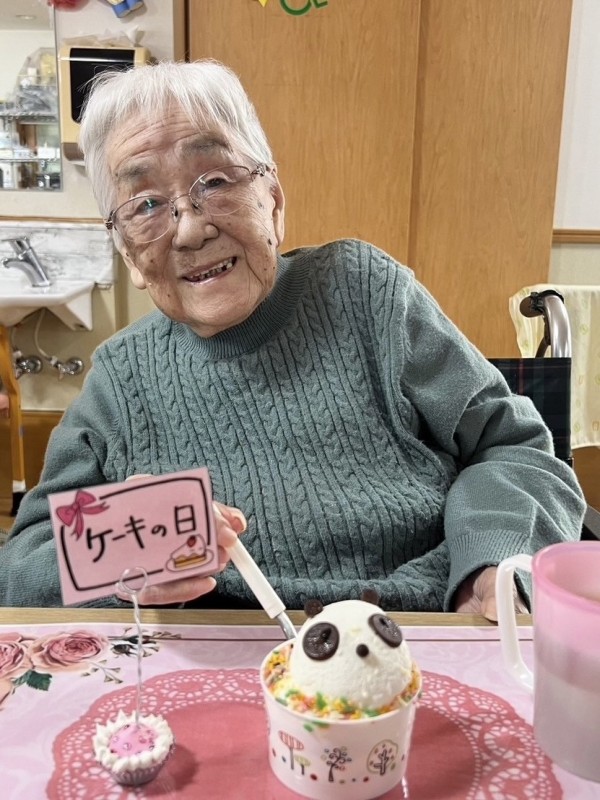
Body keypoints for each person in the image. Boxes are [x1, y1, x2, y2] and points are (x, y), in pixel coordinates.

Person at [0, 60, 585, 615]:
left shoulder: (366, 293)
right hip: (214, 653)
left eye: (215, 180)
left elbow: (512, 448)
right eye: (146, 204)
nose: (191, 228)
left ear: (273, 202)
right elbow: (24, 564)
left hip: (417, 624)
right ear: (130, 254)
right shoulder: (121, 377)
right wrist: (126, 558)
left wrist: (489, 567)